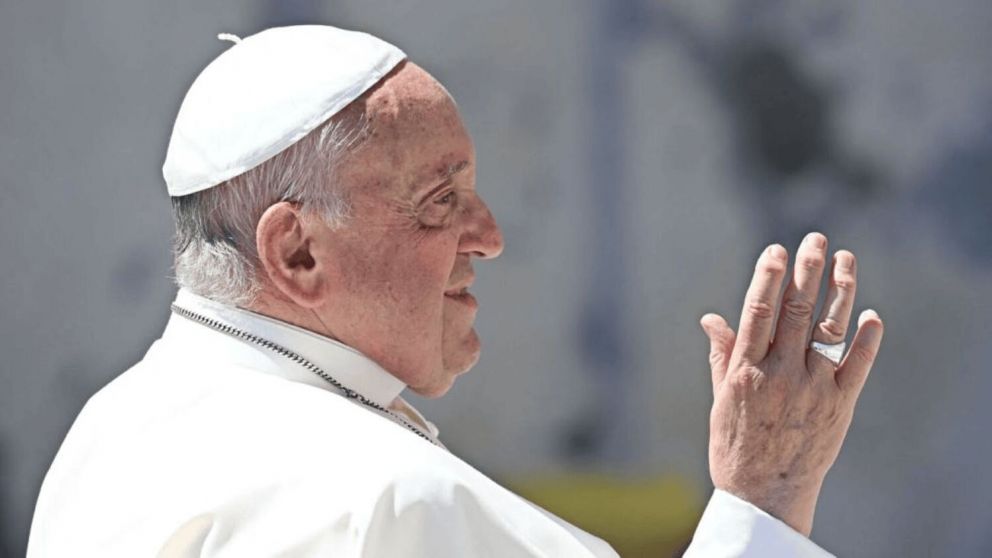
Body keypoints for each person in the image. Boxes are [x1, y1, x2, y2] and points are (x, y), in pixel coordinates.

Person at [27, 25, 883, 557]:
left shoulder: (111, 429)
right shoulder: (390, 505)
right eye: (442, 201)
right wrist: (763, 500)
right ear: (296, 252)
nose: (491, 236)